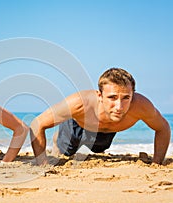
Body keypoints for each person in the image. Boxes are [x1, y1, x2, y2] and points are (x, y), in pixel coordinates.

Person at [30, 68, 171, 165]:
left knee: (98, 149)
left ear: (133, 95)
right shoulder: (80, 103)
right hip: (77, 125)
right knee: (65, 150)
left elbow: (163, 128)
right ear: (100, 95)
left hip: (107, 132)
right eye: (112, 97)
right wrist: (43, 164)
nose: (119, 106)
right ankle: (57, 139)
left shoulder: (141, 106)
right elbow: (38, 123)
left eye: (126, 98)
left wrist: (156, 162)